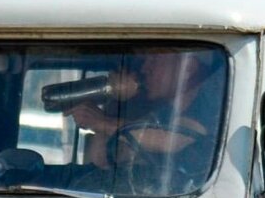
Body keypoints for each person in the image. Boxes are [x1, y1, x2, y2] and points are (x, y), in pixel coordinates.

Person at [68, 50, 223, 187]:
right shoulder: (161, 112)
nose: (144, 69)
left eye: (154, 60)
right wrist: (117, 99)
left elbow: (170, 140)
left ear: (188, 66)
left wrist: (101, 122)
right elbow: (101, 159)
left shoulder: (213, 101)